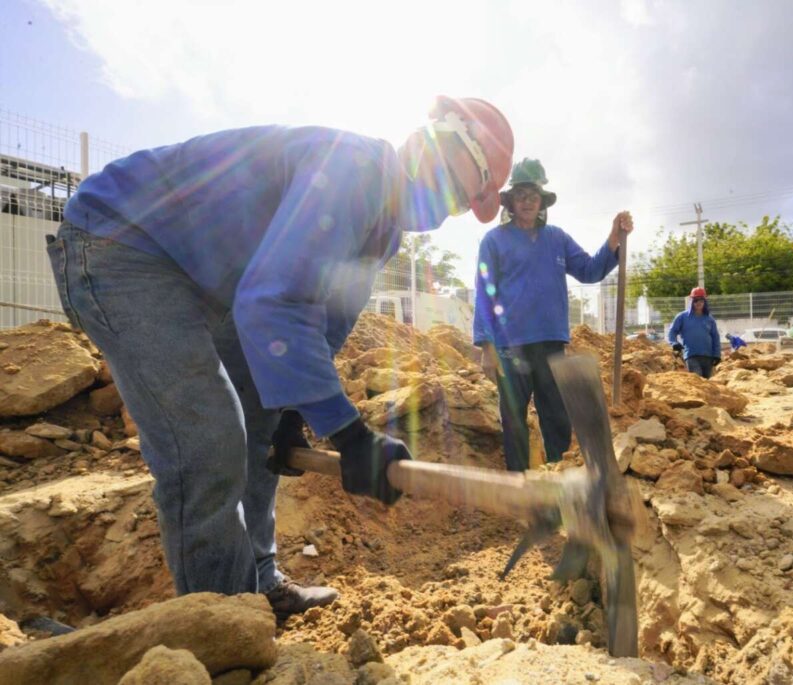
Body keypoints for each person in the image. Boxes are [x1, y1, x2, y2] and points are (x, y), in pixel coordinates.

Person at [47, 97, 514, 618]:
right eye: (451, 185)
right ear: (431, 144)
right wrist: (351, 436)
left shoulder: (382, 232)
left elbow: (322, 324)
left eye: (457, 206)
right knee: (209, 436)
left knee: (262, 422)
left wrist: (294, 413)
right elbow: (272, 303)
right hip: (119, 242)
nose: (444, 212)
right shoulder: (352, 168)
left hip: (205, 278)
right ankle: (223, 630)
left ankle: (259, 581)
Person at [473, 158, 633, 471]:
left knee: (556, 419)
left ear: (542, 201)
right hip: (511, 347)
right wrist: (486, 345)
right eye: (521, 195)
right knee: (514, 420)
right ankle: (521, 488)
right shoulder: (494, 241)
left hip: (551, 345)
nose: (528, 202)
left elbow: (589, 270)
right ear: (511, 201)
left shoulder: (556, 239)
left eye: (534, 196)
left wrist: (614, 238)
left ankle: (558, 479)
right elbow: (484, 292)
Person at [667, 287, 721, 379]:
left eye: (701, 300)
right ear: (692, 301)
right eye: (696, 300)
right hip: (691, 355)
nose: (698, 303)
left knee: (707, 383)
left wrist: (716, 355)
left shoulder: (709, 319)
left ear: (705, 301)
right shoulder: (682, 317)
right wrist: (674, 343)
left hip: (708, 357)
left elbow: (715, 337)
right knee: (697, 379)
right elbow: (672, 331)